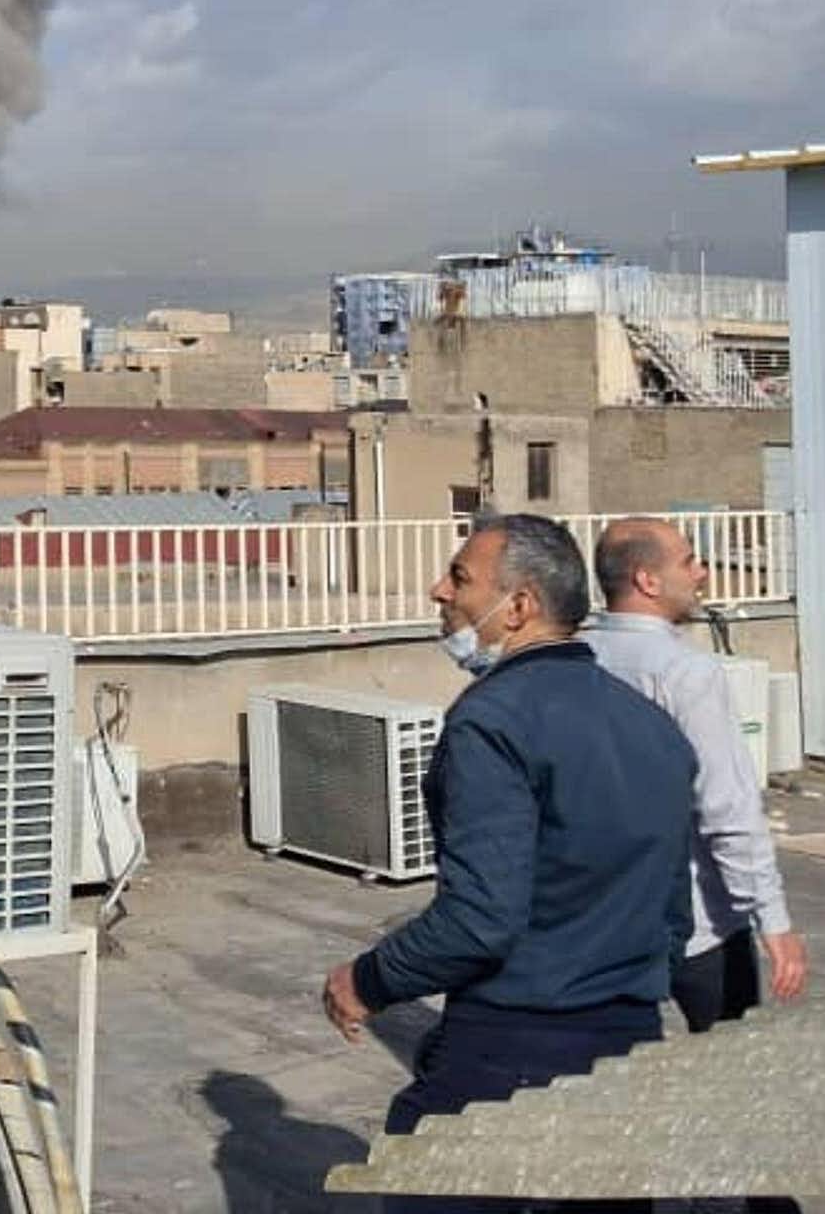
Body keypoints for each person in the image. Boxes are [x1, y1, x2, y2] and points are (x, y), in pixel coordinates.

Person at [322, 514, 694, 1211]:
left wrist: (367, 979)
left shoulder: (492, 721)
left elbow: (479, 920)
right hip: (629, 1050)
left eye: (460, 576)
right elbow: (674, 910)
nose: (439, 590)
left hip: (512, 1050)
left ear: (519, 606)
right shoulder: (652, 726)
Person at [583, 518, 807, 1031]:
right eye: (689, 561)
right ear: (648, 581)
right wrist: (772, 918)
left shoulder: (578, 657)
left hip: (600, 919)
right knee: (734, 1076)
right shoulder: (686, 672)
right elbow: (727, 806)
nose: (703, 573)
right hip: (697, 923)